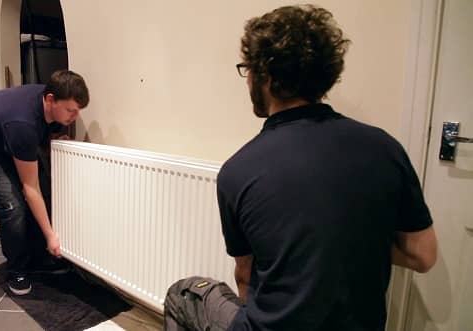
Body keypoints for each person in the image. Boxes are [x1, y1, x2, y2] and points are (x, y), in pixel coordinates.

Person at [163, 5, 437, 331]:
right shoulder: (386, 148)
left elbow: (246, 279)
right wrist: (353, 240)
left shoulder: (238, 171)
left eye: (248, 68)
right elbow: (424, 255)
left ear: (266, 76)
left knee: (182, 293)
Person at [0, 70, 90, 295]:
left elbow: (42, 140)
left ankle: (38, 258)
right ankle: (16, 270)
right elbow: (30, 188)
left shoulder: (49, 107)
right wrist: (51, 235)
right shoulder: (22, 124)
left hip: (1, 134)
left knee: (43, 185)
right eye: (71, 110)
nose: (74, 116)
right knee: (12, 203)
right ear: (51, 99)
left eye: (78, 112)